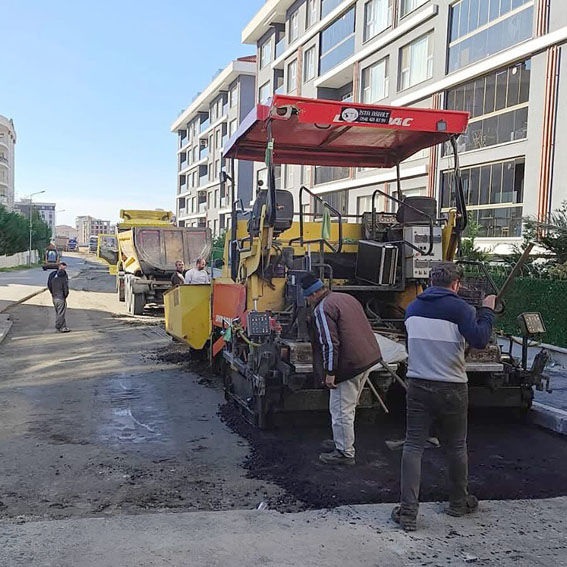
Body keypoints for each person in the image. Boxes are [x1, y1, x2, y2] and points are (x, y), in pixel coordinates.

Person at [392, 262, 496, 532]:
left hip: (417, 384)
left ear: (430, 282)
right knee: (456, 446)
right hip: (452, 387)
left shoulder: (412, 308)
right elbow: (481, 339)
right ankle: (458, 503)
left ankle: (408, 514)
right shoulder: (461, 308)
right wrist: (487, 311)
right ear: (456, 284)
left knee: (413, 446)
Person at [301, 274, 382, 466]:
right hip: (368, 359)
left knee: (340, 410)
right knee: (349, 406)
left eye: (307, 298)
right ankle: (342, 439)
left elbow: (330, 343)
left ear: (312, 295)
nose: (307, 301)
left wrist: (330, 372)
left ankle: (344, 452)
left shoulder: (322, 309)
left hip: (349, 366)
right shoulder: (346, 298)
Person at [47, 261, 71, 333]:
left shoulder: (53, 279)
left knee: (59, 312)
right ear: (60, 266)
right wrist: (64, 296)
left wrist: (53, 293)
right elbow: (66, 290)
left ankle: (63, 326)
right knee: (61, 313)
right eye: (63, 268)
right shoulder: (61, 278)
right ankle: (59, 326)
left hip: (55, 297)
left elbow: (50, 285)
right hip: (61, 297)